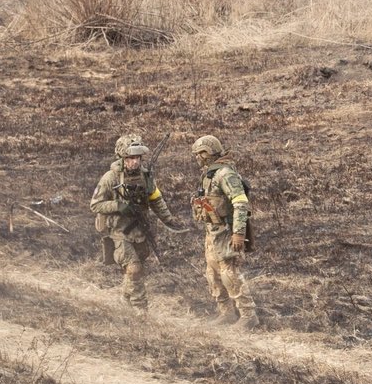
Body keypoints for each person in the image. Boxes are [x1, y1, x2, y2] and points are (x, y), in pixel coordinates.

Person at [90, 133, 184, 313]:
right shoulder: (111, 178)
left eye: (138, 158)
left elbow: (156, 200)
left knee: (135, 269)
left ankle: (124, 301)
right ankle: (142, 311)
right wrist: (119, 206)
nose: (135, 162)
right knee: (134, 268)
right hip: (119, 231)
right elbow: (95, 205)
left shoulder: (145, 176)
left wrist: (169, 220)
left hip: (140, 230)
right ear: (122, 157)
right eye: (131, 158)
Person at [190, 134, 257, 330]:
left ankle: (248, 315)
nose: (198, 158)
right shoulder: (210, 174)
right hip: (213, 231)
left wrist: (238, 233)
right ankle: (226, 312)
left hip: (227, 232)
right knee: (213, 274)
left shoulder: (225, 174)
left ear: (208, 153)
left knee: (230, 273)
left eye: (200, 154)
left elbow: (240, 202)